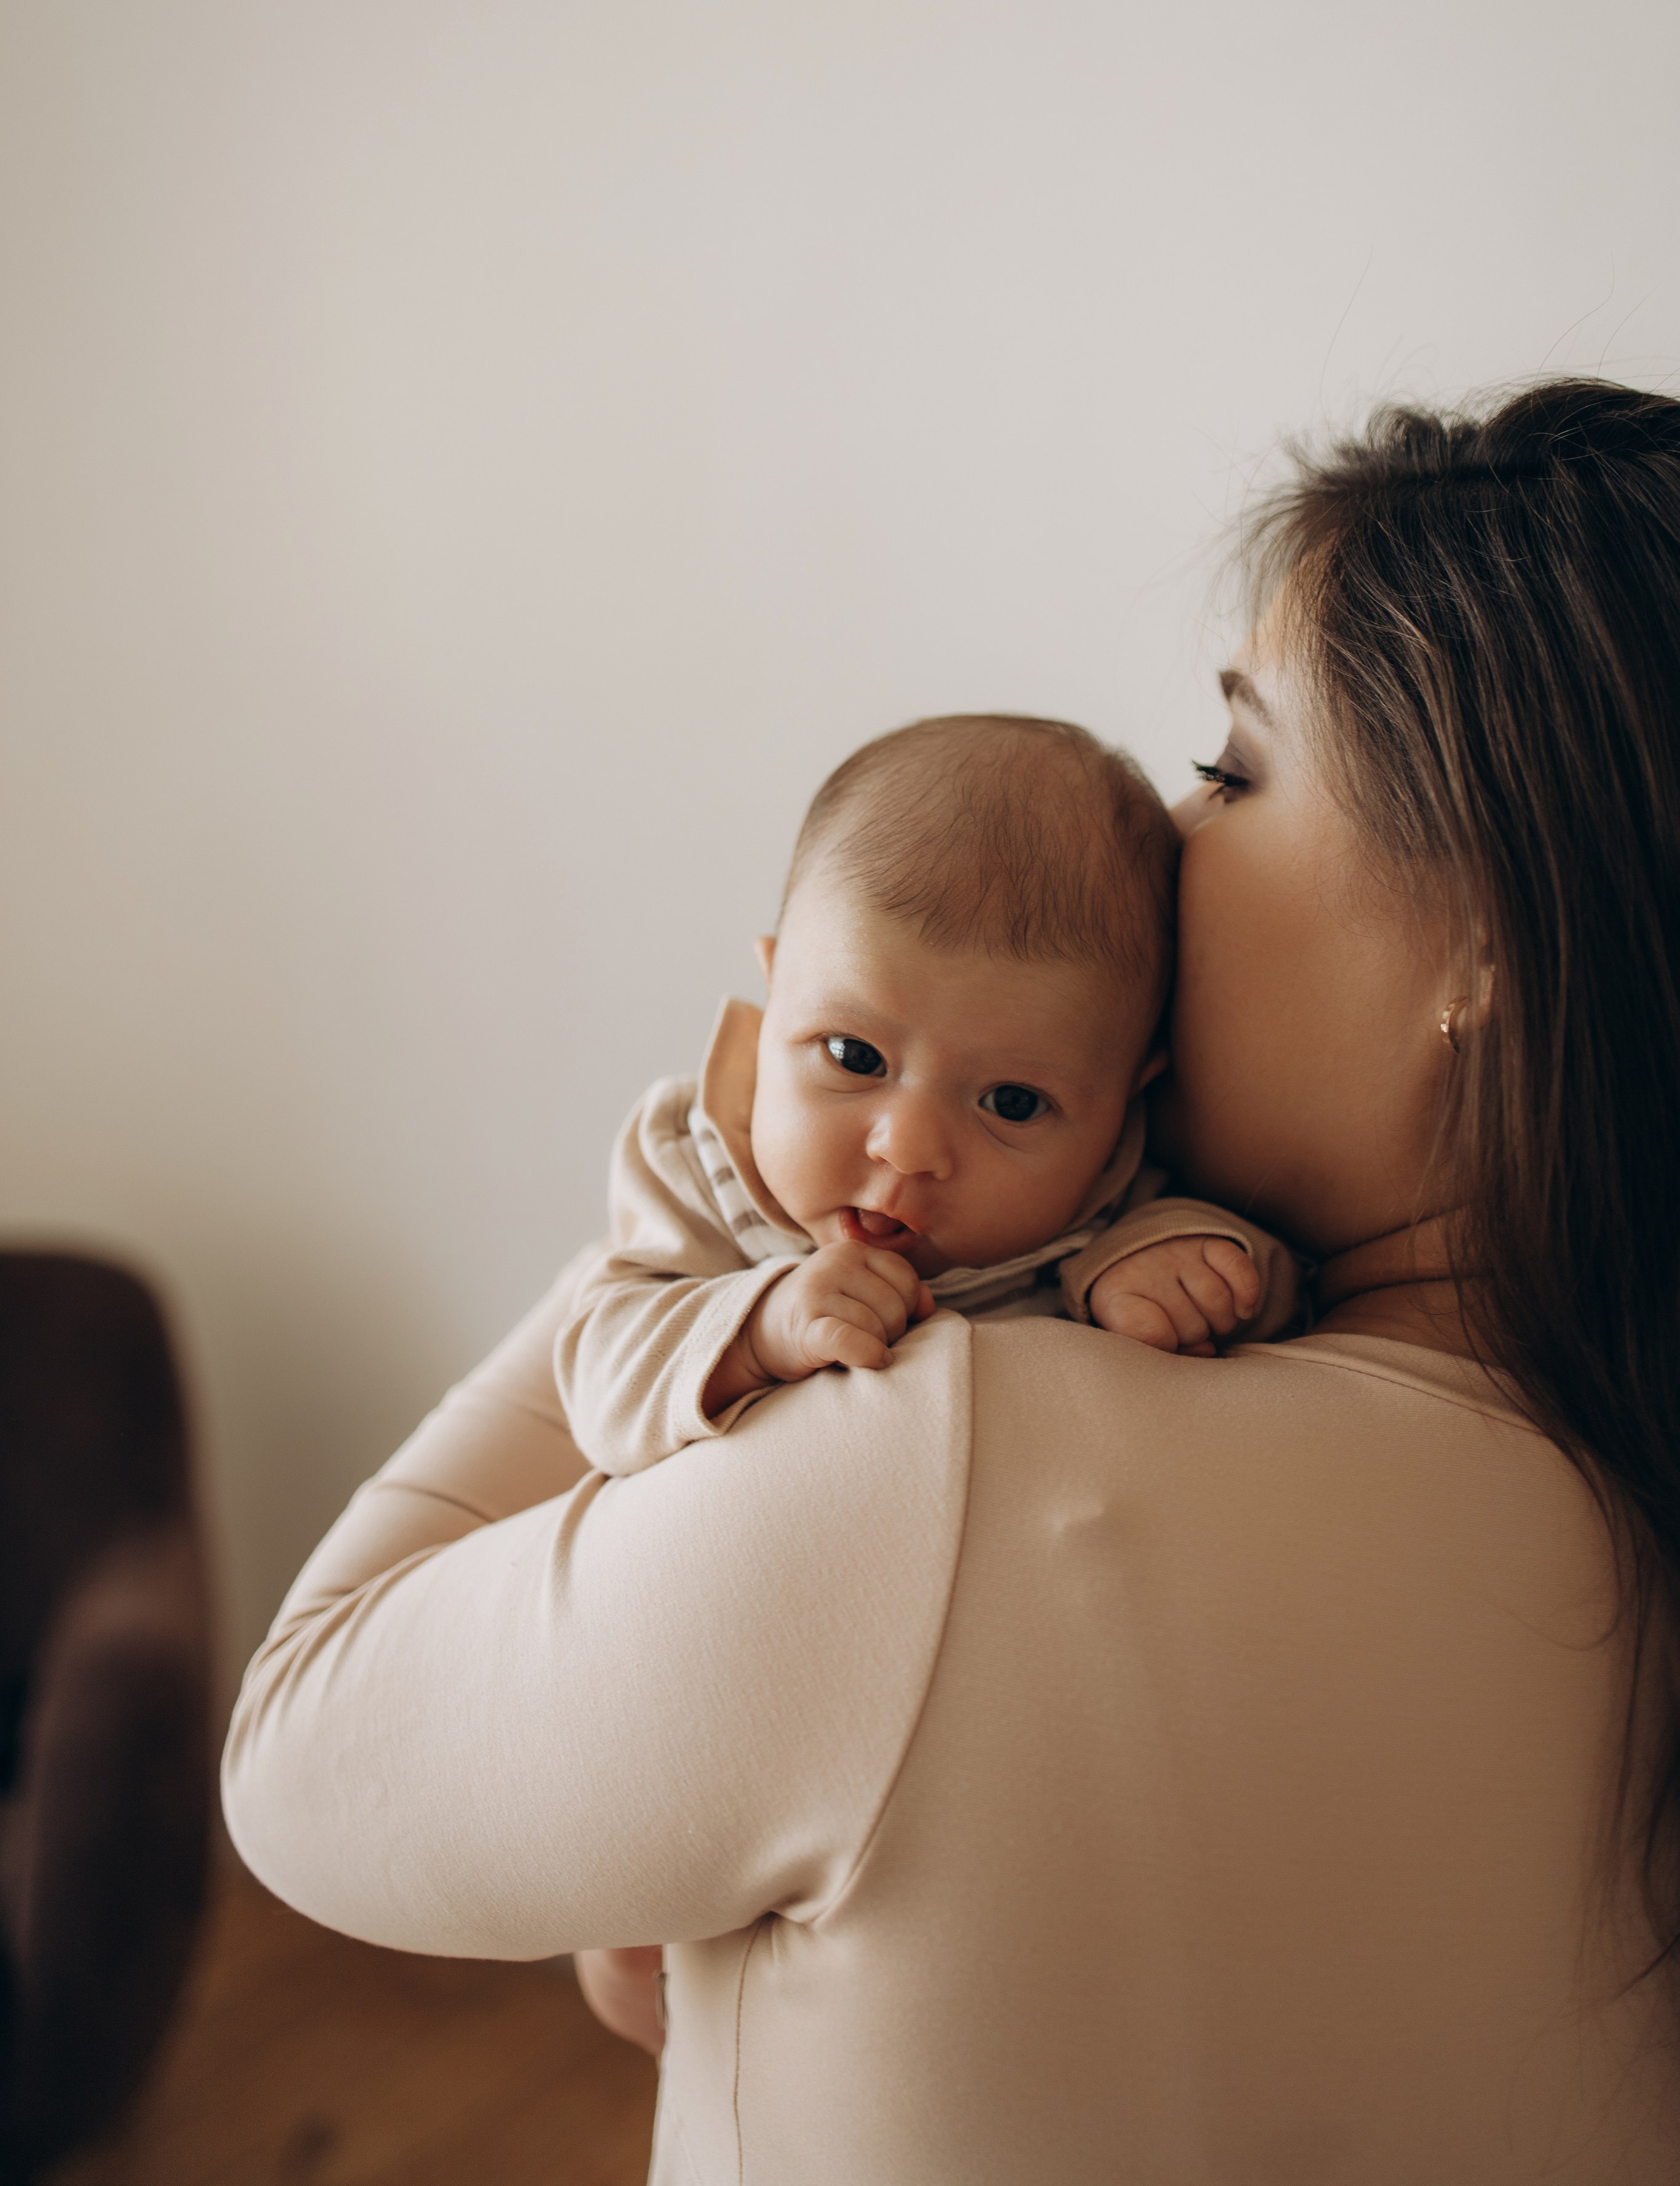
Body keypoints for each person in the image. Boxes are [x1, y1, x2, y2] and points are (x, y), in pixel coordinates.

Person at [224, 378, 1680, 2182]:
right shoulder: (1627, 1504)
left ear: (1484, 945)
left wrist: (717, 1180)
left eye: (1234, 768)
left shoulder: (945, 1467)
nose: (1167, 832)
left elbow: (302, 1757)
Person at [553, 712, 1298, 1486]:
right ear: (775, 994)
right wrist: (757, 1330)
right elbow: (598, 1382)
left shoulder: (1106, 1199)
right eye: (854, 1056)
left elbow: (1281, 1294)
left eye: (1011, 1102)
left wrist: (1173, 1264)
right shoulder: (696, 1162)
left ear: (1122, 1106)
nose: (905, 1146)